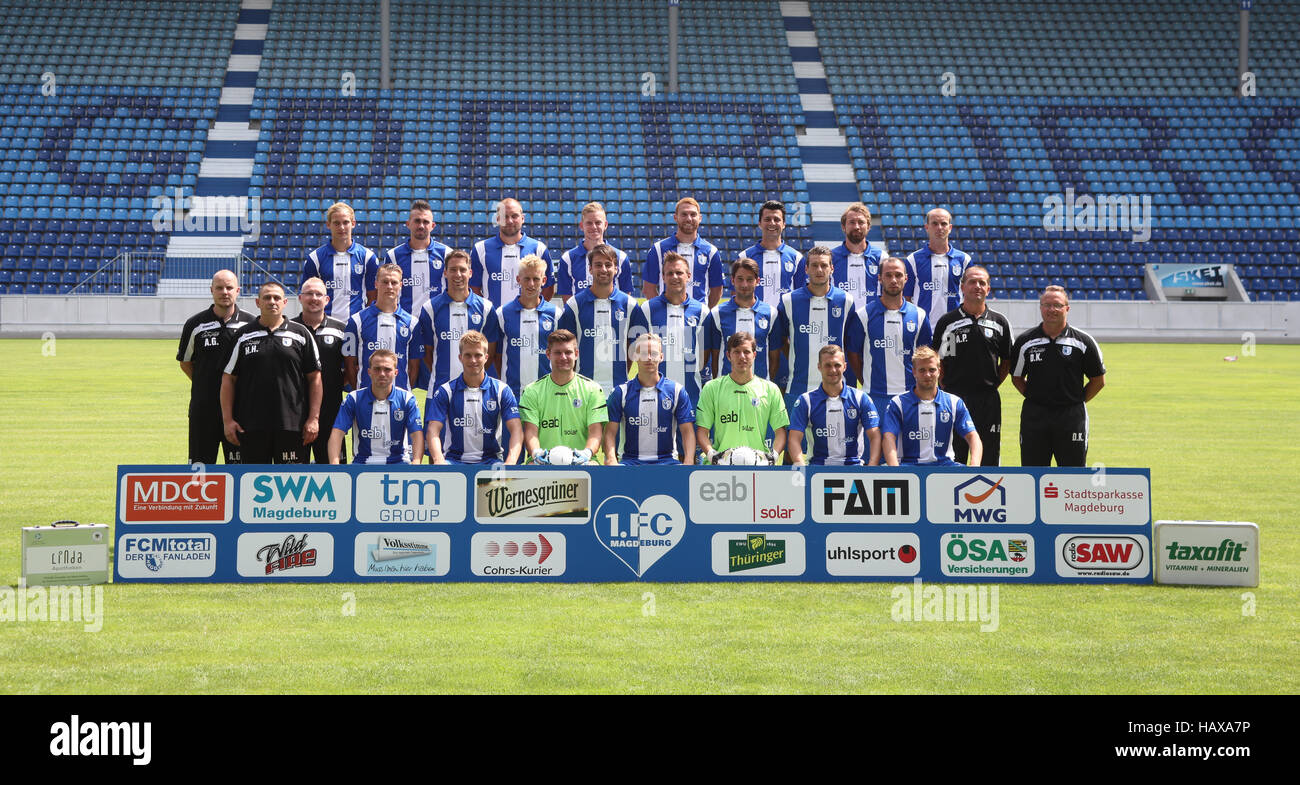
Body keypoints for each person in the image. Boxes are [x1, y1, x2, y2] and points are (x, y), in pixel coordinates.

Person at [221, 282, 322, 464]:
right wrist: (227, 420)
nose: (272, 302)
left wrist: (313, 419)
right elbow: (228, 379)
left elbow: (315, 378)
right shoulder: (243, 335)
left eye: (276, 298)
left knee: (292, 486)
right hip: (251, 426)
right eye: (267, 298)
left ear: (284, 302)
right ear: (258, 302)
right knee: (253, 485)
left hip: (292, 425)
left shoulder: (300, 334)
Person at [1011, 285, 1106, 467]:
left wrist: (1076, 400)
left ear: (1067, 309)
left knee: (1073, 474)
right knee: (1033, 473)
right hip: (1035, 416)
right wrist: (1036, 397)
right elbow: (1016, 377)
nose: (1051, 310)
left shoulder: (1083, 341)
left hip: (1071, 417)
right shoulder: (1025, 341)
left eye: (1057, 305)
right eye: (1047, 305)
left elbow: (1098, 380)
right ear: (1040, 308)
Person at [931, 264, 1013, 466]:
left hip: (988, 400)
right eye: (972, 282)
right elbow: (936, 359)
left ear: (988, 289)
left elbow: (1007, 360)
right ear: (962, 287)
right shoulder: (947, 322)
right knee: (954, 455)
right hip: (954, 399)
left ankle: (988, 496)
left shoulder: (1000, 322)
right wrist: (945, 385)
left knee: (989, 455)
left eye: (982, 283)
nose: (977, 286)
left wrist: (993, 383)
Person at [177, 269, 256, 464]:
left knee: (239, 470)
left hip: (241, 410)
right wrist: (207, 383)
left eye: (229, 288)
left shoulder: (251, 324)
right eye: (219, 288)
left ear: (238, 290)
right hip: (204, 410)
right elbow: (185, 362)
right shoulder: (195, 324)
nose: (225, 292)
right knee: (200, 471)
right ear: (211, 290)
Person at [772, 245, 858, 414]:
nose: (819, 270)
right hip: (797, 387)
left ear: (832, 268)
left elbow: (850, 342)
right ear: (806, 268)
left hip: (836, 389)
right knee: (796, 440)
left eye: (824, 265)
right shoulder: (789, 301)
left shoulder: (845, 301)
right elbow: (780, 340)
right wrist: (795, 355)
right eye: (814, 265)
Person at [848, 257, 932, 418]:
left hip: (910, 395)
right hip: (874, 397)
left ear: (906, 278)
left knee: (909, 443)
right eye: (888, 275)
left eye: (898, 275)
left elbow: (926, 355)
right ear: (879, 278)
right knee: (874, 443)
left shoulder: (919, 315)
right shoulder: (863, 315)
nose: (894, 280)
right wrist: (866, 381)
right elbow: (853, 354)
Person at [425, 331, 522, 465]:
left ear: (486, 357)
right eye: (468, 355)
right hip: (453, 461)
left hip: (491, 462)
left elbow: (516, 429)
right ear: (460, 357)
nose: (473, 360)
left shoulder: (502, 390)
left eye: (478, 355)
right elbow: (433, 429)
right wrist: (438, 460)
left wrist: (510, 462)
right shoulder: (445, 391)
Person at [385, 199, 449, 391]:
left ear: (433, 225)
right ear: (408, 224)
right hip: (405, 327)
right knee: (401, 380)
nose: (421, 225)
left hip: (436, 327)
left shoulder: (446, 254)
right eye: (417, 221)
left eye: (425, 221)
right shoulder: (394, 256)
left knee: (439, 381)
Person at [694, 332, 788, 464]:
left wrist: (774, 456)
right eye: (736, 352)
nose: (742, 356)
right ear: (728, 355)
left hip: (758, 465)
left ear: (754, 355)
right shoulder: (711, 388)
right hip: (721, 466)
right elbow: (702, 431)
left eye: (747, 352)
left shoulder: (770, 389)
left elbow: (781, 431)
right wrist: (712, 456)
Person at [412, 249, 495, 396]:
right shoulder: (430, 308)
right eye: (453, 270)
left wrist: (473, 374)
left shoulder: (486, 308)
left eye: (462, 270)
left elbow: (491, 351)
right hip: (439, 390)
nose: (458, 274)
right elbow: (427, 353)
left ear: (470, 273)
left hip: (476, 392)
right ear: (445, 273)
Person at [604, 333, 696, 465]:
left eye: (653, 353)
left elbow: (687, 432)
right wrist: (612, 459)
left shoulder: (677, 391)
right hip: (630, 462)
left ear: (661, 357)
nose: (648, 358)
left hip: (667, 462)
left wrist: (688, 461)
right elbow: (610, 433)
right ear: (635, 356)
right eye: (643, 353)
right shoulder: (620, 392)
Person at [518, 330, 608, 465]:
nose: (563, 357)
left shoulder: (593, 390)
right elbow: (531, 432)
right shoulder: (532, 391)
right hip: (543, 461)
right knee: (531, 467)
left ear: (576, 354)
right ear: (548, 354)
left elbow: (595, 433)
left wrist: (587, 453)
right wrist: (537, 453)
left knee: (593, 466)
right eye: (558, 353)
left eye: (568, 352)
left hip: (582, 462)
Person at [881, 347, 981, 466]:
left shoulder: (954, 402)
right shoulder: (898, 403)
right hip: (909, 467)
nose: (927, 374)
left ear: (939, 371)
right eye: (922, 370)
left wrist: (974, 466)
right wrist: (896, 470)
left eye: (932, 370)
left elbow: (973, 437)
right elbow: (888, 437)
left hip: (945, 467)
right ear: (914, 372)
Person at [628, 251, 707, 401]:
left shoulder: (702, 311)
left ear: (688, 276)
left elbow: (706, 357)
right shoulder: (647, 309)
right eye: (669, 273)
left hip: (692, 396)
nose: (674, 277)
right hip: (653, 397)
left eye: (679, 272)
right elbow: (637, 353)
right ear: (663, 277)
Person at [558, 244, 635, 395]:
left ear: (616, 269)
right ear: (590, 269)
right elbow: (566, 348)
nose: (604, 269)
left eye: (608, 265)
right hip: (581, 390)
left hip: (618, 390)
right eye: (598, 265)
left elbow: (632, 346)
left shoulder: (630, 305)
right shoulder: (574, 305)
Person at [788, 345, 881, 466]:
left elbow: (875, 436)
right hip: (818, 469)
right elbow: (794, 438)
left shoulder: (860, 398)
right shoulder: (805, 401)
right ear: (819, 367)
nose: (833, 370)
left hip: (853, 467)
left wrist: (871, 467)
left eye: (837, 365)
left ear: (845, 367)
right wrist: (802, 468)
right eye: (827, 365)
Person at [327, 349, 424, 465]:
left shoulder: (407, 399)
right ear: (369, 372)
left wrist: (417, 463)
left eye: (387, 369)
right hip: (362, 463)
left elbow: (416, 434)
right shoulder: (354, 399)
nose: (382, 374)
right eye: (377, 369)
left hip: (398, 463)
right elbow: (337, 433)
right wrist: (334, 465)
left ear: (396, 372)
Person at [485, 253, 558, 400]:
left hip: (546, 394)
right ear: (519, 280)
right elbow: (496, 356)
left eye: (536, 279)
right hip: (512, 394)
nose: (531, 284)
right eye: (527, 279)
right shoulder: (502, 313)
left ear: (544, 280)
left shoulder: (556, 314)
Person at [293, 276, 348, 464]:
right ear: (300, 298)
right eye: (309, 293)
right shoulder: (289, 328)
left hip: (331, 411)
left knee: (334, 471)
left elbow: (350, 369)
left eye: (319, 294)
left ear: (327, 300)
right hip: (295, 411)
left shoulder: (342, 330)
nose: (314, 298)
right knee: (294, 474)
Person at [301, 201, 379, 323]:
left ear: (353, 224)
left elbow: (373, 295)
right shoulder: (315, 258)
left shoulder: (368, 257)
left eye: (345, 222)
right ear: (328, 225)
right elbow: (308, 296)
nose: (341, 227)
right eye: (336, 223)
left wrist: (364, 321)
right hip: (324, 326)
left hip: (357, 325)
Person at [701, 257, 776, 382]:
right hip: (725, 389)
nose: (744, 284)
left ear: (757, 281)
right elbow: (714, 356)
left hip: (759, 390)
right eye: (740, 279)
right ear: (732, 281)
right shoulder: (717, 313)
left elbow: (774, 358)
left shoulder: (771, 313)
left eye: (749, 279)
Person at [344, 263, 417, 392]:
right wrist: (360, 394)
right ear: (376, 284)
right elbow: (350, 365)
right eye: (385, 282)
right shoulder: (356, 321)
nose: (389, 286)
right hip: (365, 399)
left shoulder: (412, 323)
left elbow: (414, 367)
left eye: (394, 282)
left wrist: (404, 394)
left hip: (400, 401)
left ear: (401, 285)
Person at [642, 196, 723, 306]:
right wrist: (661, 311)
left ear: (700, 218)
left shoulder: (711, 252)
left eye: (693, 214)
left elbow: (717, 290)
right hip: (666, 320)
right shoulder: (658, 249)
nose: (689, 218)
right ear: (676, 217)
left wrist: (703, 314)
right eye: (684, 214)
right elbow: (648, 288)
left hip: (698, 320)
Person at [470, 197, 551, 305]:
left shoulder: (539, 249)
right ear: (498, 219)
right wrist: (487, 312)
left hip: (529, 320)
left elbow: (548, 288)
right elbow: (473, 288)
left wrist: (531, 311)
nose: (509, 221)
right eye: (505, 216)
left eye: (514, 216)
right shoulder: (480, 249)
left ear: (522, 218)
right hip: (493, 320)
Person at [905, 207, 971, 335]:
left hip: (955, 331)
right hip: (923, 330)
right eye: (934, 224)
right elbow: (907, 298)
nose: (939, 227)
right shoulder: (913, 260)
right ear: (927, 227)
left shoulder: (964, 260)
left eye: (943, 224)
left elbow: (970, 296)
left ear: (950, 228)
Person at [555, 202, 633, 299]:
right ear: (581, 226)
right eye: (589, 223)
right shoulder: (567, 259)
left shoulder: (621, 257)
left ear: (605, 225)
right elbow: (567, 302)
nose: (594, 227)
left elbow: (625, 299)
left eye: (598, 223)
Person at [738, 199, 805, 309]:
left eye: (777, 219)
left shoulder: (797, 258)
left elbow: (802, 295)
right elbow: (736, 294)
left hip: (785, 323)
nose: (772, 223)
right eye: (767, 219)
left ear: (784, 224)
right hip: (754, 322)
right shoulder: (744, 257)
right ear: (759, 223)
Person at [830, 202, 883, 307]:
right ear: (843, 227)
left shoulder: (881, 257)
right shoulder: (831, 257)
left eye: (861, 222)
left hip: (871, 320)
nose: (857, 227)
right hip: (842, 320)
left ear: (868, 226)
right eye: (852, 222)